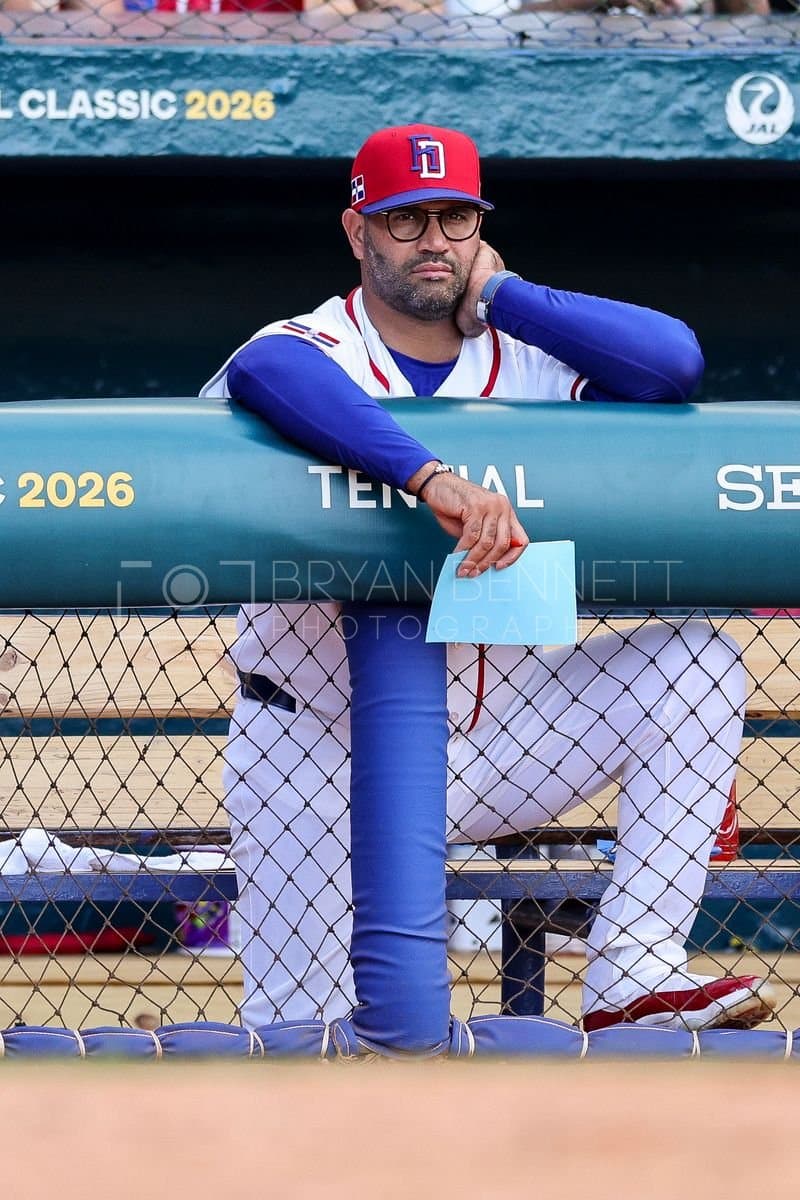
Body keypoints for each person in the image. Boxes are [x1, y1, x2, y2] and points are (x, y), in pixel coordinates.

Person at [201, 123, 777, 1036]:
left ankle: (634, 972)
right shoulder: (314, 342)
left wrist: (506, 296)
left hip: (503, 735)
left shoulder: (532, 359)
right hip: (316, 748)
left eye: (456, 217)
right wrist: (430, 478)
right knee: (300, 1035)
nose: (434, 239)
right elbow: (268, 374)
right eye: (406, 219)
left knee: (695, 666)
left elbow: (673, 365)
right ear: (358, 233)